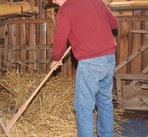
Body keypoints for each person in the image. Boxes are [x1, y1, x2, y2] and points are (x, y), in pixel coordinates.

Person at [50, 0, 119, 136]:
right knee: (105, 102)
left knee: (84, 108)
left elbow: (60, 41)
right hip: (109, 58)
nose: (53, 1)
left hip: (90, 62)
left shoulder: (66, 10)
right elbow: (114, 23)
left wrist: (55, 58)